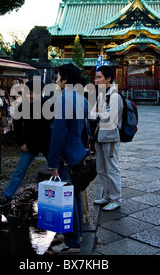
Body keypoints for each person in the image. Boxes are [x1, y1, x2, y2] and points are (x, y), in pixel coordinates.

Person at [47, 63, 89, 254]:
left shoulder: (64, 99)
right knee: (75, 196)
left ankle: (72, 243)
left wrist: (53, 162)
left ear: (65, 80)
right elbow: (87, 130)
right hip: (78, 153)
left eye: (58, 77)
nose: (56, 80)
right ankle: (78, 234)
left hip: (66, 156)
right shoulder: (81, 98)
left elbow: (58, 134)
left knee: (67, 200)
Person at [0, 79, 52, 207]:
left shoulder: (48, 105)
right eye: (27, 93)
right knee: (19, 170)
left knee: (56, 169)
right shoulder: (21, 106)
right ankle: (7, 195)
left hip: (46, 143)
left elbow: (48, 129)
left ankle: (67, 195)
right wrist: (21, 143)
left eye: (32, 93)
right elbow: (18, 127)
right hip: (29, 144)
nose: (29, 96)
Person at [91, 65, 123, 211]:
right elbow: (92, 113)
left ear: (108, 78)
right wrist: (97, 114)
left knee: (112, 168)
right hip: (99, 135)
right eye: (96, 77)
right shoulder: (102, 95)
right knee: (101, 168)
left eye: (99, 77)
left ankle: (116, 199)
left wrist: (97, 115)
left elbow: (109, 118)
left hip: (110, 137)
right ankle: (107, 195)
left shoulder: (115, 96)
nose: (96, 80)